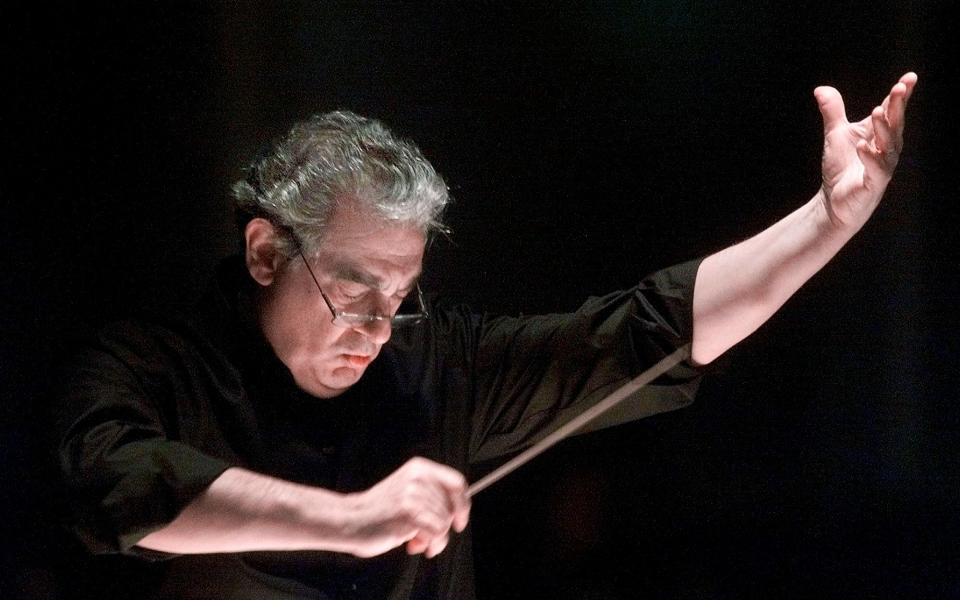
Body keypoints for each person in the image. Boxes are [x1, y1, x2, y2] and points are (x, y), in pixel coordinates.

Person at [54, 72, 917, 599]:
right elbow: (119, 487)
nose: (378, 328)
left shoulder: (439, 364)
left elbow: (652, 330)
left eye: (402, 294)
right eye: (354, 290)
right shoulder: (145, 367)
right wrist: (352, 521)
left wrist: (826, 223)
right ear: (266, 251)